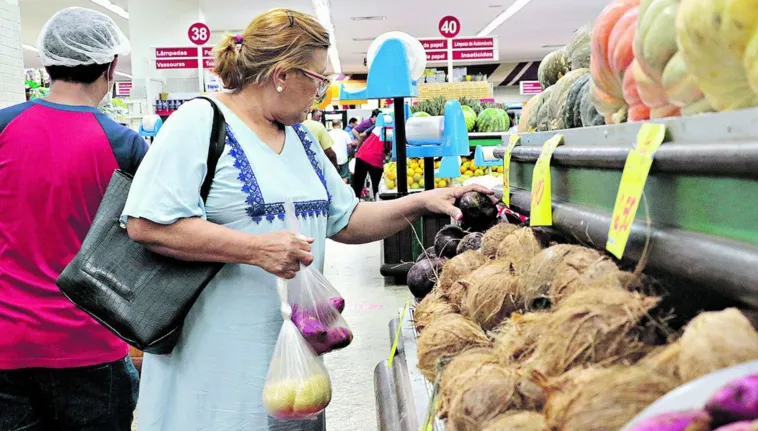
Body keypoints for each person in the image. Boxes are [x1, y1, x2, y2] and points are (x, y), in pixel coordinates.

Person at [121, 8, 490, 430]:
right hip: (215, 352)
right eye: (318, 80)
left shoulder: (301, 137)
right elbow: (147, 224)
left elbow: (346, 219)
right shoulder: (200, 122)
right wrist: (255, 249)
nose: (322, 93)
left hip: (295, 353)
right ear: (282, 74)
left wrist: (423, 202)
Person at [0, 7, 144, 430]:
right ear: (112, 64)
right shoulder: (125, 146)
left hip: (6, 344)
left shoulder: (3, 128)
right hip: (91, 347)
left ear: (46, 62)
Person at [353, 125, 387, 199]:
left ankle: (355, 206)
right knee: (377, 188)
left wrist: (357, 149)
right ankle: (376, 205)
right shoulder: (395, 130)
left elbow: (362, 135)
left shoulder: (377, 126)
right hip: (376, 158)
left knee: (357, 186)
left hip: (362, 154)